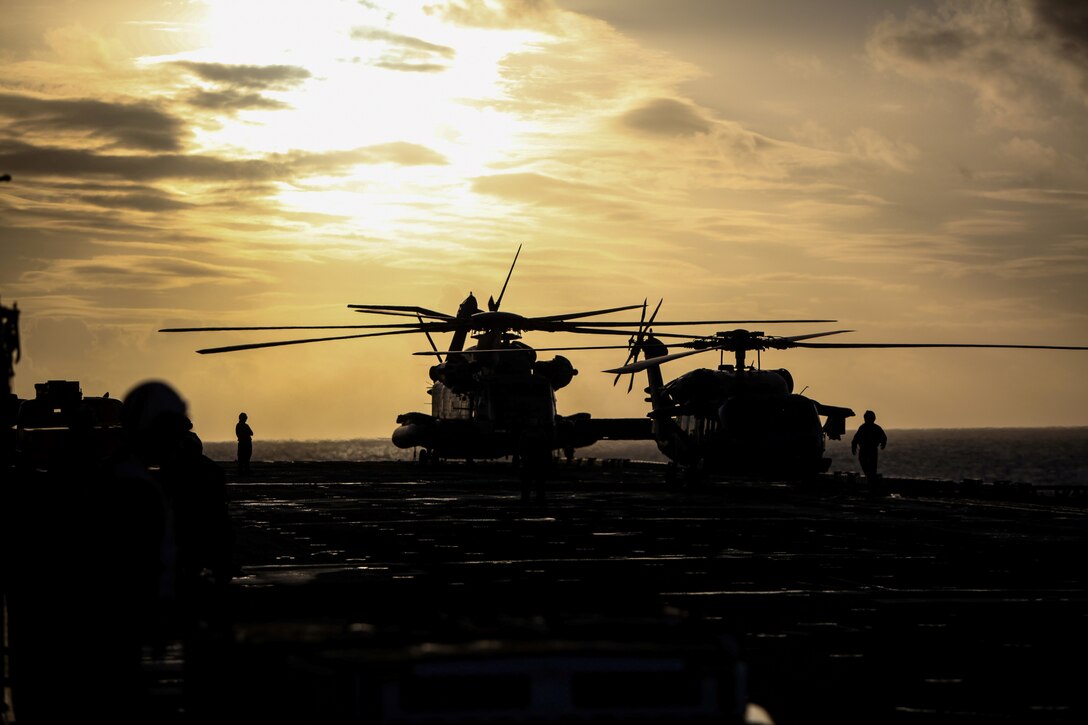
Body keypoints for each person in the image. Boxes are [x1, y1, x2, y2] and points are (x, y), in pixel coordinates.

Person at [851, 410, 888, 483]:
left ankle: (871, 480)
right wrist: (853, 447)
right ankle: (871, 479)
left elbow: (884, 438)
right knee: (868, 466)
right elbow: (855, 439)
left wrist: (854, 447)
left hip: (871, 450)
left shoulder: (872, 428)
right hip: (866, 450)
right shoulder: (865, 428)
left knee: (871, 467)